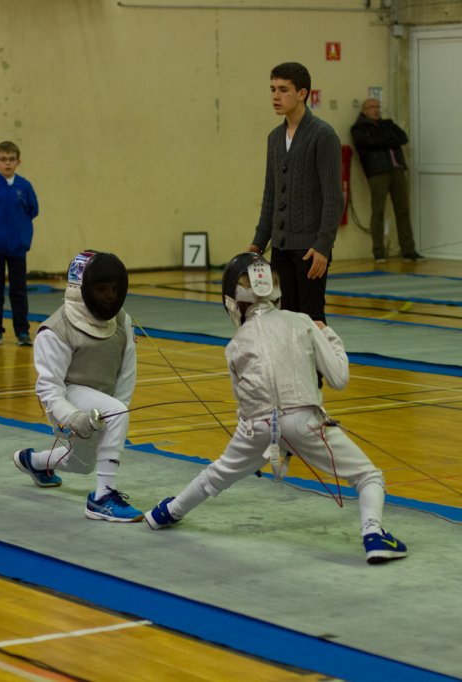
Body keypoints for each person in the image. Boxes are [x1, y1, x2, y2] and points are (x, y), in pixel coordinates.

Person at [144, 253, 407, 565]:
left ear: (233, 300)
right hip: (305, 422)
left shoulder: (235, 345)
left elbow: (242, 403)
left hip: (256, 428)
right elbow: (339, 379)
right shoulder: (302, 323)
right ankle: (374, 534)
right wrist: (328, 334)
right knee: (368, 477)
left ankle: (164, 514)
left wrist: (256, 450)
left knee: (216, 475)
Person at [11, 249, 143, 522]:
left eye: (114, 288)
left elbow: (126, 374)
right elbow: (49, 389)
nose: (110, 295)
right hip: (67, 400)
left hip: (100, 404)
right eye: (101, 289)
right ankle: (102, 498)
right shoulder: (55, 330)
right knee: (115, 412)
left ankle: (33, 462)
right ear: (81, 288)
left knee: (82, 464)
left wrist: (116, 413)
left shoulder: (121, 321)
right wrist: (72, 417)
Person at [249, 61, 343, 324]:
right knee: (285, 320)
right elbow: (271, 195)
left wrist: (323, 246)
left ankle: (324, 355)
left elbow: (334, 198)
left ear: (302, 94)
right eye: (272, 89)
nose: (275, 96)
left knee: (313, 320)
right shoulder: (274, 138)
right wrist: (258, 243)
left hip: (310, 249)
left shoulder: (323, 135)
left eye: (283, 90)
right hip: (280, 247)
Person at [0, 141, 39, 347]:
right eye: (3, 159)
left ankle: (22, 331)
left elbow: (33, 210)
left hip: (17, 248)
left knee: (18, 290)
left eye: (11, 159)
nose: (7, 163)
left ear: (18, 162)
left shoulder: (25, 186)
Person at [350, 98, 423, 263]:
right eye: (371, 107)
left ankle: (408, 250)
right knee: (378, 212)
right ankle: (379, 251)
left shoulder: (387, 124)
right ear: (364, 111)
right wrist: (387, 140)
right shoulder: (359, 128)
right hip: (378, 172)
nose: (375, 110)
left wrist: (383, 140)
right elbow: (367, 143)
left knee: (403, 210)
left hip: (397, 169)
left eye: (377, 107)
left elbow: (402, 137)